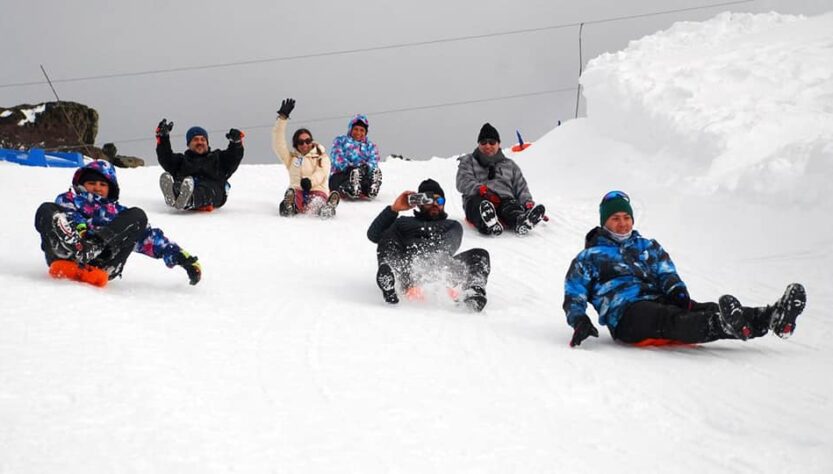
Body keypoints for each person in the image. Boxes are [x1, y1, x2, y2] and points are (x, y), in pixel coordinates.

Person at [563, 190, 807, 347]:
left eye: (626, 217)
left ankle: (772, 318)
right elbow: (574, 293)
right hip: (627, 315)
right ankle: (720, 325)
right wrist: (580, 320)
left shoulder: (647, 245)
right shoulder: (589, 256)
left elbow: (665, 271)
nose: (622, 223)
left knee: (704, 308)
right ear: (604, 222)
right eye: (615, 218)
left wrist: (676, 290)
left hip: (659, 299)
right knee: (670, 319)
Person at [34, 160, 202, 287]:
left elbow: (150, 239)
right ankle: (72, 245)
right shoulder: (68, 199)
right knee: (47, 209)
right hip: (66, 253)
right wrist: (81, 232)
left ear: (111, 188)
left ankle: (94, 246)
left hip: (103, 260)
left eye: (102, 184)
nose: (97, 188)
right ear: (82, 185)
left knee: (137, 216)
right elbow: (66, 214)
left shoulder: (118, 212)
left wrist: (183, 259)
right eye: (91, 183)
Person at [367, 179, 490, 311]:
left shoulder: (452, 225)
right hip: (407, 271)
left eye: (440, 201)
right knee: (388, 238)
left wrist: (427, 259)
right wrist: (394, 209)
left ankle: (473, 292)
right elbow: (374, 235)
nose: (436, 204)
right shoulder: (402, 222)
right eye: (429, 200)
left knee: (480, 254)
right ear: (419, 202)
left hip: (442, 270)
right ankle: (388, 275)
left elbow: (448, 246)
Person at [456, 123, 546, 236]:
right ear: (478, 144)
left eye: (492, 142)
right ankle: (488, 224)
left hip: (504, 201)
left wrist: (528, 203)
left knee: (511, 205)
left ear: (499, 144)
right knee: (480, 205)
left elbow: (521, 188)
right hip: (478, 200)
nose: (487, 146)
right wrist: (482, 190)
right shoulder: (468, 161)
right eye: (483, 142)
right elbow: (462, 181)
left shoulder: (510, 165)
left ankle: (521, 221)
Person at [156, 119, 245, 211]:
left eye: (203, 139)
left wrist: (236, 143)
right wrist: (163, 138)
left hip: (213, 193)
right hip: (186, 186)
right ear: (189, 144)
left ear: (207, 143)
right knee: (179, 184)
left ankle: (188, 199)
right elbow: (165, 157)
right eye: (195, 140)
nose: (200, 142)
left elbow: (234, 157)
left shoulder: (218, 158)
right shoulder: (182, 161)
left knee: (205, 190)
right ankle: (174, 195)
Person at [271, 98, 340, 218]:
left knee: (316, 201)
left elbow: (322, 173)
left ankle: (326, 208)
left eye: (307, 141)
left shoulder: (321, 156)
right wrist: (282, 118)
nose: (304, 145)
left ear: (311, 142)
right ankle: (289, 206)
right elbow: (278, 143)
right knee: (290, 199)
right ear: (296, 144)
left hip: (317, 190)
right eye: (301, 142)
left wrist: (310, 181)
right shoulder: (291, 159)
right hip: (297, 191)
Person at [329, 114, 382, 200]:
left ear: (366, 132)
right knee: (343, 180)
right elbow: (336, 156)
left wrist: (366, 168)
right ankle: (351, 187)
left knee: (364, 178)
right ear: (351, 129)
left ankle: (371, 188)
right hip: (341, 174)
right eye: (356, 129)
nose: (358, 133)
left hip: (361, 175)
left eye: (362, 130)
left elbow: (374, 159)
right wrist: (350, 167)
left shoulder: (370, 146)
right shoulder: (341, 140)